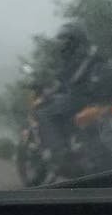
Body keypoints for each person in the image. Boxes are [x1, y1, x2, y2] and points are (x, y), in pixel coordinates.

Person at [34, 22, 106, 170]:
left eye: (65, 40)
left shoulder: (80, 56)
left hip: (81, 98)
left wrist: (49, 93)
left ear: (73, 40)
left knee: (44, 113)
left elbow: (70, 80)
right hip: (96, 98)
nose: (62, 44)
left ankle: (59, 152)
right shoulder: (92, 53)